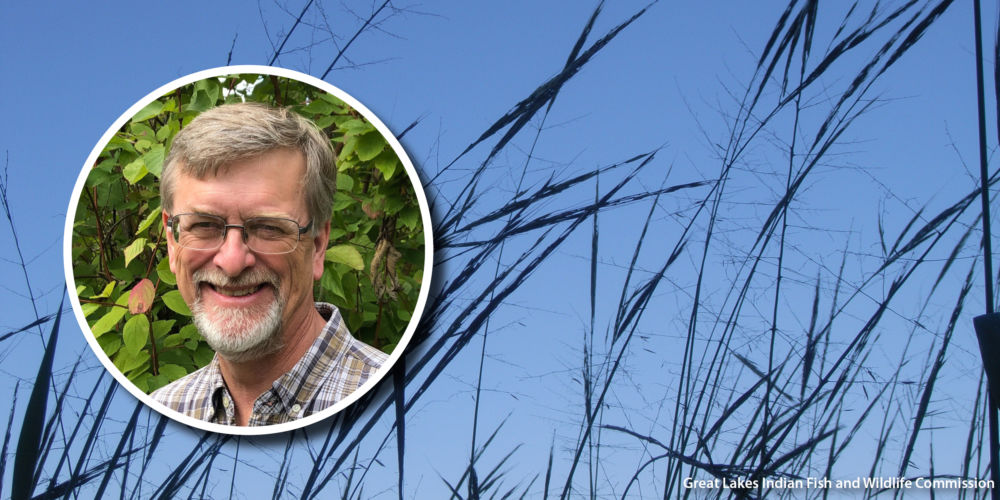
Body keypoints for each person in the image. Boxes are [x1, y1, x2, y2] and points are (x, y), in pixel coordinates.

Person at [150, 102, 387, 426]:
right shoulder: (161, 415)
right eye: (204, 226)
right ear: (173, 242)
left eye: (269, 228)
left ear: (318, 245)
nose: (232, 262)